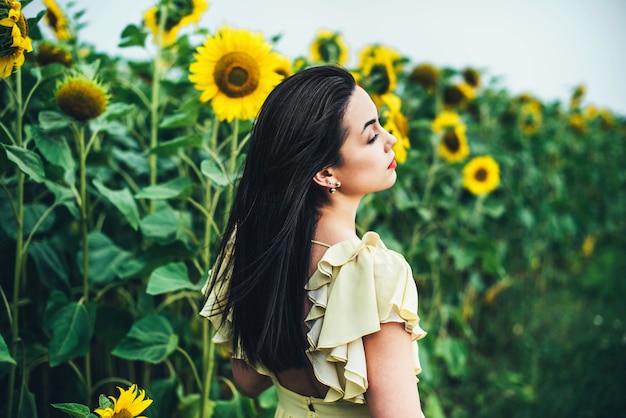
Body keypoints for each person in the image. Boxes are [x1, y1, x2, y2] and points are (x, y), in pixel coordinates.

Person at [200, 65, 427, 417]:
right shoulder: (377, 274)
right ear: (325, 173)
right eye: (370, 136)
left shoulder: (252, 251)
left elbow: (248, 382)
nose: (390, 139)